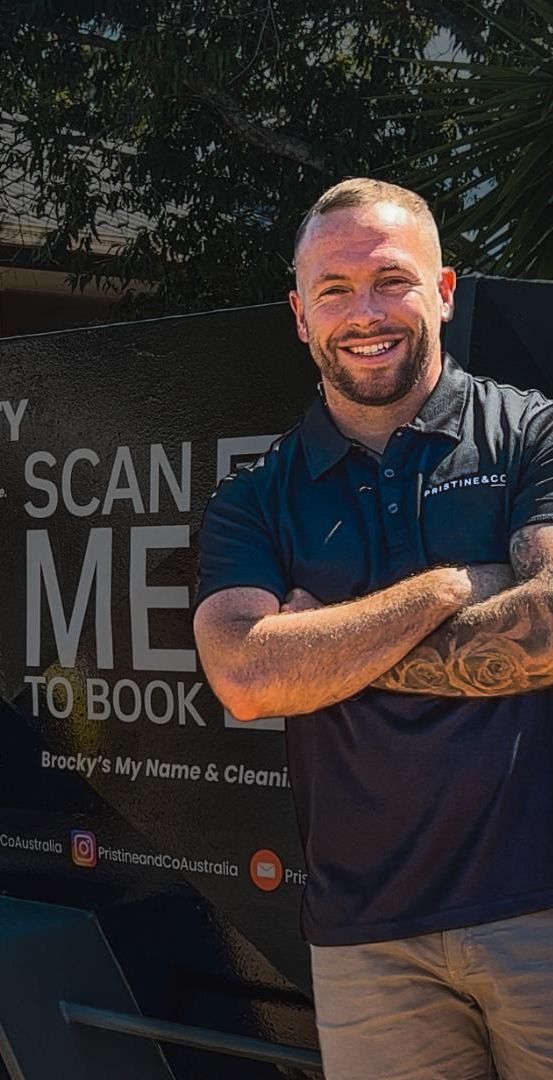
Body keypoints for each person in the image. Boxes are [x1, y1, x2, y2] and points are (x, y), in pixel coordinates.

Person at [193, 177, 553, 1079]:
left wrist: (323, 652)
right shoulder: (255, 498)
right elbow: (246, 676)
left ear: (443, 290)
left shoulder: (530, 435)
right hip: (365, 941)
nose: (364, 313)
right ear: (299, 316)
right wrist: (450, 588)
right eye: (334, 290)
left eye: (392, 280)